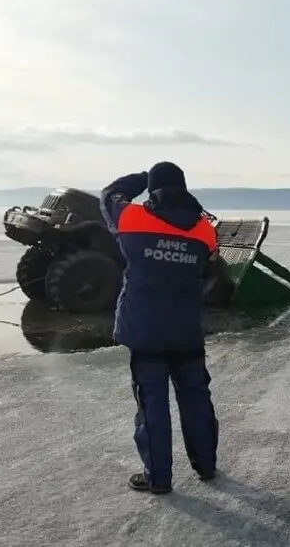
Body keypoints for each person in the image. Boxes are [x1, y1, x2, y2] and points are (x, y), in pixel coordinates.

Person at [100, 161, 219, 493]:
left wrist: (142, 178)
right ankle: (206, 466)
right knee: (196, 397)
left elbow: (110, 194)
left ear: (153, 189)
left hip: (145, 328)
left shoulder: (132, 218)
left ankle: (159, 478)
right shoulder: (205, 230)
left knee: (152, 402)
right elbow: (207, 266)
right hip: (186, 330)